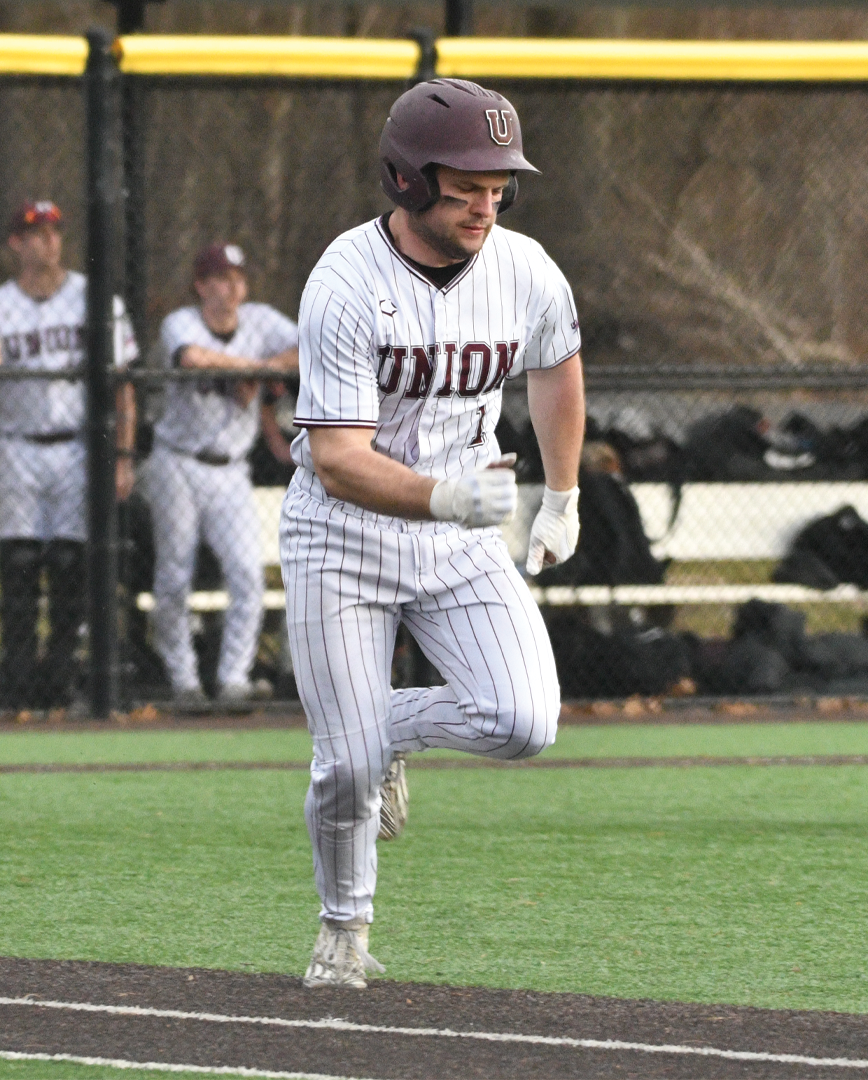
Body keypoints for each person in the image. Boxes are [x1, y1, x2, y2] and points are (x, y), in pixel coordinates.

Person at [287, 78, 585, 989]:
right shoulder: (343, 281)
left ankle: (383, 735)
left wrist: (563, 495)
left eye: (499, 188)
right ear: (408, 181)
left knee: (525, 719)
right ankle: (343, 936)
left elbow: (558, 371)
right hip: (342, 532)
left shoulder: (524, 267)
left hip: (460, 530)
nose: (486, 205)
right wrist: (450, 501)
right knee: (343, 773)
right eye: (466, 187)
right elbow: (338, 457)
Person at [0, 200, 139, 709]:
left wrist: (123, 455)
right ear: (15, 243)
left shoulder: (93, 300)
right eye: (35, 233)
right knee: (18, 566)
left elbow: (123, 385)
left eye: (54, 232)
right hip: (18, 444)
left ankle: (59, 677)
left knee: (71, 565)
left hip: (75, 448)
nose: (47, 241)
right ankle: (17, 683)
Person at [142, 241, 297, 705]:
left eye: (238, 279)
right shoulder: (181, 322)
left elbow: (308, 346)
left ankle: (234, 679)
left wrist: (265, 370)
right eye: (222, 280)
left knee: (247, 573)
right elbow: (192, 357)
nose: (233, 289)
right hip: (178, 463)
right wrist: (254, 369)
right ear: (201, 285)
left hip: (231, 469)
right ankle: (184, 679)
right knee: (173, 577)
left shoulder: (261, 319)